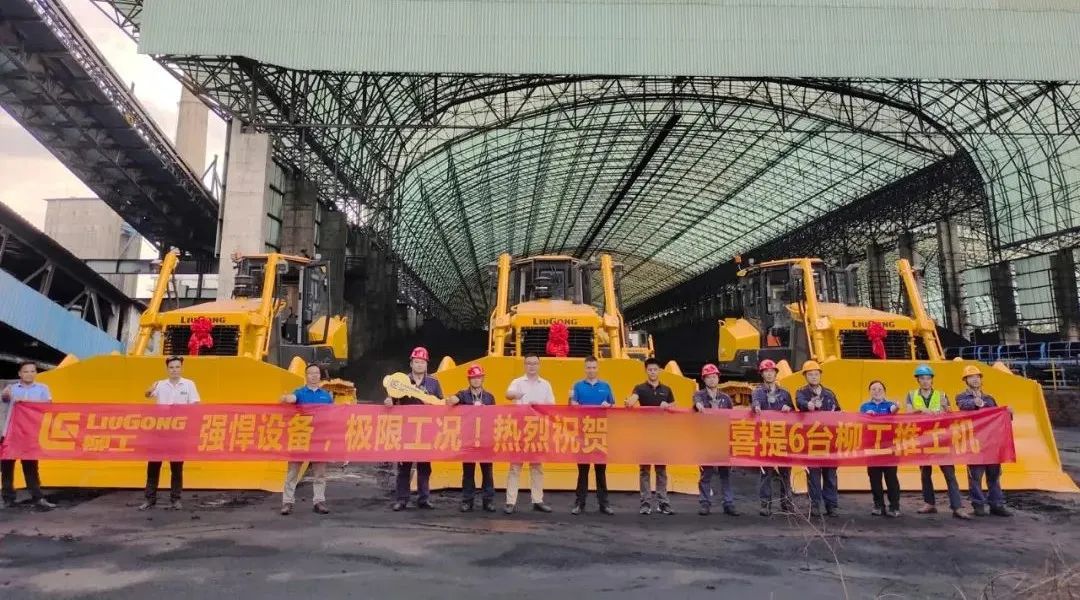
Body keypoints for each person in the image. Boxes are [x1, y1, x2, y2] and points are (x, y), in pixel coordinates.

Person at [906, 364, 971, 520]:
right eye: (922, 378)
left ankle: (957, 507)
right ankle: (929, 503)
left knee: (949, 473)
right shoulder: (911, 395)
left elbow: (949, 413)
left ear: (932, 380)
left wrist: (945, 408)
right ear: (918, 380)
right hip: (923, 439)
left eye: (928, 378)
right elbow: (908, 413)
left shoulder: (941, 395)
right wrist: (922, 411)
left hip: (942, 439)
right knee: (925, 472)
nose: (925, 381)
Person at [385, 347, 443, 511]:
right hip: (406, 430)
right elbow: (392, 400)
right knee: (404, 466)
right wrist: (388, 401)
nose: (419, 365)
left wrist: (431, 403)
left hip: (426, 431)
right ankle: (402, 499)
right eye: (416, 362)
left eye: (422, 362)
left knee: (425, 466)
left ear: (426, 365)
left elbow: (441, 404)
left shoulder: (433, 383)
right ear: (411, 364)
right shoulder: (401, 381)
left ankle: (423, 498)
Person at [140, 356, 200, 511]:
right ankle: (149, 499)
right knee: (153, 466)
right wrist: (149, 390)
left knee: (177, 467)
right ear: (167, 369)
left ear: (181, 368)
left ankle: (176, 499)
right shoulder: (160, 384)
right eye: (171, 367)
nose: (174, 370)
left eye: (177, 367)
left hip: (178, 431)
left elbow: (196, 405)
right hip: (159, 430)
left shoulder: (189, 384)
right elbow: (147, 394)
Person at [955, 365, 1012, 517]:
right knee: (976, 476)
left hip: (991, 442)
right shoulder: (961, 397)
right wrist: (977, 403)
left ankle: (996, 504)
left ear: (981, 379)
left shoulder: (989, 398)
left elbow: (998, 417)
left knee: (994, 475)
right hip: (974, 443)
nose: (975, 379)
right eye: (971, 377)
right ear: (966, 380)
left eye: (977, 376)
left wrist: (1007, 414)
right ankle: (978, 505)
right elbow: (964, 407)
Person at [1, 361, 56, 510]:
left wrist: (26, 402)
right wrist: (6, 395)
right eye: (26, 371)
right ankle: (7, 498)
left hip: (31, 434)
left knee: (31, 466)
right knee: (6, 467)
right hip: (10, 433)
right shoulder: (11, 388)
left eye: (32, 371)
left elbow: (48, 406)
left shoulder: (43, 388)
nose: (29, 374)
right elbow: (4, 401)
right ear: (20, 374)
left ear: (36, 373)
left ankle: (38, 498)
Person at [504, 353, 554, 514]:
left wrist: (539, 406)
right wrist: (516, 395)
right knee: (515, 467)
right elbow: (508, 394)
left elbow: (552, 406)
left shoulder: (545, 384)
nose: (532, 366)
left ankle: (537, 500)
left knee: (537, 467)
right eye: (528, 363)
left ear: (539, 365)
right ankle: (510, 502)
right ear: (525, 365)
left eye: (535, 363)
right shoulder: (517, 382)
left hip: (538, 430)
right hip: (519, 429)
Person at [280, 363, 333, 516]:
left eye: (317, 373)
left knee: (320, 473)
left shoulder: (326, 396)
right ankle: (287, 502)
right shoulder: (300, 392)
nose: (314, 376)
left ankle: (319, 501)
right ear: (306, 376)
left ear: (320, 376)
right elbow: (292, 398)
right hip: (301, 437)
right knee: (292, 472)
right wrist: (286, 398)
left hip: (319, 439)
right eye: (311, 373)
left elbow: (335, 415)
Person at [625, 357, 676, 516]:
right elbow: (631, 401)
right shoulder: (639, 388)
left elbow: (674, 405)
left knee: (661, 470)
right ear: (646, 371)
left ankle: (663, 503)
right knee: (644, 471)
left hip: (661, 435)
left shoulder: (666, 389)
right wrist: (630, 402)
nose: (653, 372)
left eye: (655, 369)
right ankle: (645, 504)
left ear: (659, 371)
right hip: (644, 435)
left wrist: (667, 405)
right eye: (650, 370)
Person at [569, 356, 615, 516]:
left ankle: (604, 504)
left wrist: (609, 405)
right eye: (588, 367)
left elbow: (613, 405)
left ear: (598, 368)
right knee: (583, 471)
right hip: (582, 434)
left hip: (601, 434)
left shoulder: (606, 386)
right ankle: (579, 504)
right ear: (585, 369)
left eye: (594, 367)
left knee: (601, 471)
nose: (591, 370)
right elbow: (572, 405)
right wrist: (572, 403)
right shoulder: (577, 386)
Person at [795, 360, 841, 518]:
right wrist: (809, 405)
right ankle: (815, 505)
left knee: (830, 475)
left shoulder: (829, 394)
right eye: (810, 374)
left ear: (820, 375)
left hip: (829, 441)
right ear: (805, 376)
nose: (814, 377)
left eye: (816, 374)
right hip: (812, 441)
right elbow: (800, 403)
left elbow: (839, 412)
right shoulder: (801, 393)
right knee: (813, 476)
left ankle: (831, 505)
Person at [448, 364, 496, 513]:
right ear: (469, 379)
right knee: (468, 472)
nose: (476, 380)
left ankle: (488, 501)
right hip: (468, 439)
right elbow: (450, 401)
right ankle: (467, 501)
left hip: (485, 439)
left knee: (487, 472)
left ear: (483, 378)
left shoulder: (489, 397)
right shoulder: (463, 395)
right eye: (473, 378)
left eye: (479, 377)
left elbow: (495, 417)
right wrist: (454, 399)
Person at [694, 363, 739, 517]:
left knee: (725, 474)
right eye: (709, 377)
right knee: (706, 474)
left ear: (718, 378)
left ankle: (728, 503)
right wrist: (699, 405)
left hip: (722, 441)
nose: (712, 380)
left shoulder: (726, 398)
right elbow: (696, 402)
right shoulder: (699, 395)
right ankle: (705, 503)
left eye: (714, 377)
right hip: (706, 442)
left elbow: (732, 417)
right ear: (704, 379)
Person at [751, 359, 795, 517]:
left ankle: (786, 502)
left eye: (772, 371)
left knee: (785, 473)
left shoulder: (785, 393)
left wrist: (788, 408)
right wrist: (756, 407)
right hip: (765, 438)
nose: (769, 374)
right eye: (766, 371)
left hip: (782, 438)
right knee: (766, 473)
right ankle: (766, 504)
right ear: (762, 374)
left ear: (776, 373)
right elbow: (755, 404)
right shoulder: (757, 392)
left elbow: (795, 414)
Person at [859, 380, 901, 518]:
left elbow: (894, 413)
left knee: (891, 479)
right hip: (872, 449)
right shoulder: (865, 406)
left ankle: (894, 506)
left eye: (879, 389)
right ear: (869, 391)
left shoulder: (889, 405)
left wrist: (897, 409)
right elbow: (860, 424)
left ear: (884, 391)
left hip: (889, 448)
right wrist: (866, 416)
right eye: (873, 389)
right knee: (874, 479)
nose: (876, 391)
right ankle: (878, 505)